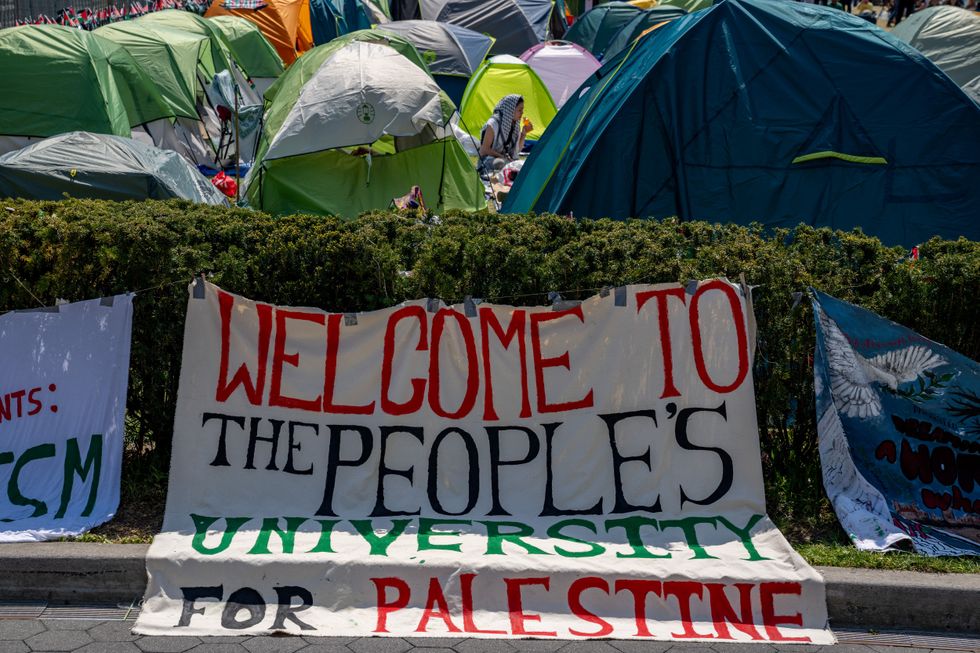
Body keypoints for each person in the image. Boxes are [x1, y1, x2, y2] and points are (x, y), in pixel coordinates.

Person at [479, 94, 532, 174]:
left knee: (523, 165)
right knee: (501, 163)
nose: (522, 113)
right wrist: (503, 157)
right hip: (487, 160)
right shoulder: (493, 123)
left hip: (504, 159)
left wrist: (523, 134)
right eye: (520, 110)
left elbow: (517, 151)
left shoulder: (515, 126)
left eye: (522, 110)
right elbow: (484, 149)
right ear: (510, 109)